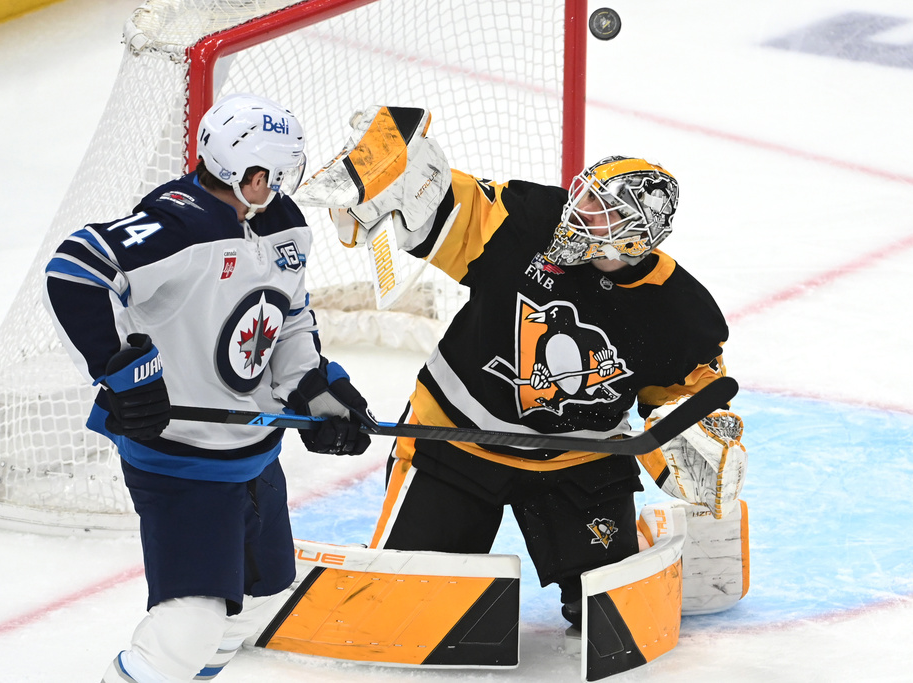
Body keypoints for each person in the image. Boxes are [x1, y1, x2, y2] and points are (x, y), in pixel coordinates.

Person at [292, 106, 747, 640]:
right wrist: (406, 182)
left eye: (601, 210)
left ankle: (645, 541)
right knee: (411, 606)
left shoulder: (680, 312)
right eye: (584, 195)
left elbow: (687, 400)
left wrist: (698, 435)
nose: (579, 212)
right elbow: (453, 210)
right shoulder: (529, 220)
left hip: (579, 459)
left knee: (606, 616)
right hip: (457, 438)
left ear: (635, 236)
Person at [43, 93, 376, 683]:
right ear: (252, 174)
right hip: (180, 460)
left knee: (263, 597)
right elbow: (75, 270)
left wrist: (313, 387)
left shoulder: (284, 224)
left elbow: (287, 318)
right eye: (277, 171)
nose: (283, 183)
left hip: (253, 454)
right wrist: (121, 373)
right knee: (187, 626)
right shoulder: (179, 225)